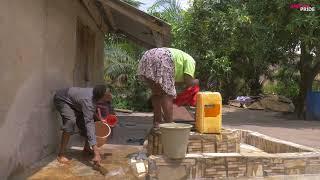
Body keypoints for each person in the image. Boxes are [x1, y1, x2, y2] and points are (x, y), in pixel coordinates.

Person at [138, 48, 199, 127]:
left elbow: (176, 82)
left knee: (157, 93)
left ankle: (157, 121)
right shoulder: (191, 61)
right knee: (167, 94)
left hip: (147, 56)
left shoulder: (180, 60)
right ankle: (169, 124)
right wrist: (199, 81)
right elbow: (189, 81)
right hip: (164, 57)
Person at [53, 85, 112, 165]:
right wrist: (96, 153)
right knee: (71, 121)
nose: (111, 95)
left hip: (75, 102)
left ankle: (86, 148)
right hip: (62, 99)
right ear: (101, 97)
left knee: (89, 120)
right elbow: (89, 123)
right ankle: (61, 154)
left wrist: (99, 118)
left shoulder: (95, 95)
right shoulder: (88, 100)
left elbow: (91, 110)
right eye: (108, 94)